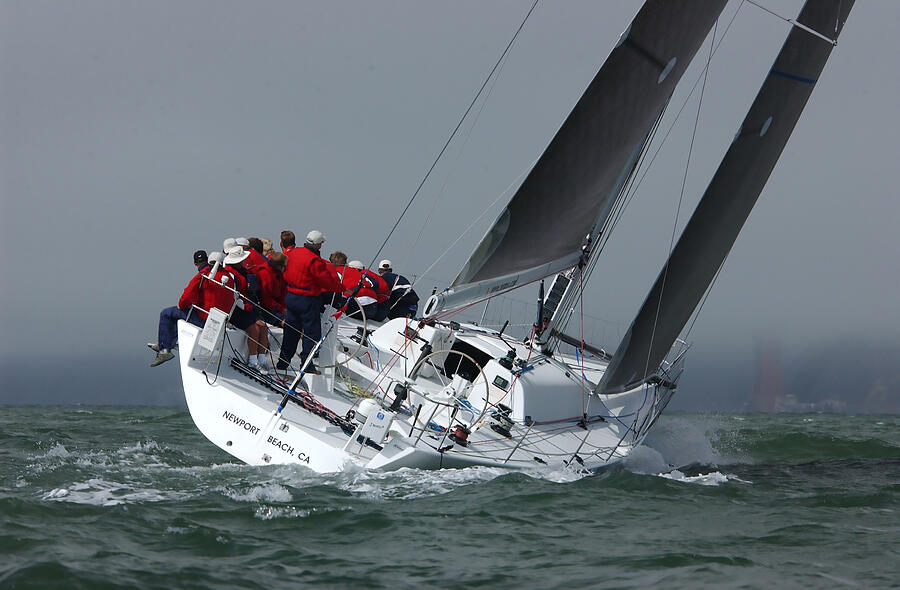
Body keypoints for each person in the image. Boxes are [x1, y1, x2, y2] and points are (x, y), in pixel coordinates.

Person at [277, 230, 342, 374]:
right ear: (319, 245)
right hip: (307, 300)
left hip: (291, 297)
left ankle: (282, 363)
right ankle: (307, 365)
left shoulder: (292, 253)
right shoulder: (314, 260)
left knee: (291, 331)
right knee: (311, 334)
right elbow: (326, 281)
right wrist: (343, 289)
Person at [149, 251, 231, 367]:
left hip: (203, 319)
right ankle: (167, 342)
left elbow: (186, 297)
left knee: (167, 313)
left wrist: (181, 306)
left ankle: (165, 349)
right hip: (220, 322)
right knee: (178, 313)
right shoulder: (230, 279)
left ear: (195, 263)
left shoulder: (203, 276)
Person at [223, 246, 270, 372]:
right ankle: (253, 362)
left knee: (263, 327)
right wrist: (246, 306)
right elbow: (233, 296)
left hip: (246, 307)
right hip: (237, 310)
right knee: (254, 329)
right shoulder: (231, 275)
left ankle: (261, 359)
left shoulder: (242, 271)